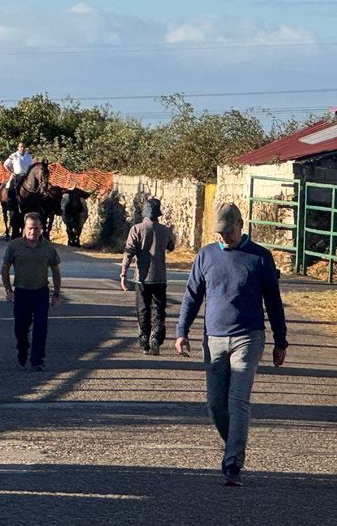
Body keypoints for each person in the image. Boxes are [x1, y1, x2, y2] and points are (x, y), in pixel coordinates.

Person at [175, 203, 288, 487]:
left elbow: (273, 301)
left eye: (228, 232)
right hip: (213, 338)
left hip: (248, 337)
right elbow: (192, 295)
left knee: (237, 401)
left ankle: (233, 463)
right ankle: (233, 444)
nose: (224, 237)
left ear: (240, 225)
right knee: (216, 404)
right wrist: (181, 331)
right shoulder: (206, 255)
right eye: (219, 233)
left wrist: (280, 340)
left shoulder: (260, 257)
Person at [0, 211, 61, 371]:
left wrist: (56, 294)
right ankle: (22, 348)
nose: (33, 232)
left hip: (40, 292)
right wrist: (8, 290)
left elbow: (55, 270)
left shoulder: (48, 248)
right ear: (24, 228)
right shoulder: (14, 246)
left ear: (41, 229)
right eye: (30, 228)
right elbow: (5, 268)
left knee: (41, 327)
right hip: (21, 292)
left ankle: (37, 360)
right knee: (20, 327)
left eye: (36, 228)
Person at [120, 198, 175, 354]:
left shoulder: (136, 229)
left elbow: (129, 252)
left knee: (143, 309)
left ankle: (144, 340)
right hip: (160, 277)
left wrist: (123, 274)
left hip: (142, 278)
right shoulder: (164, 230)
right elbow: (171, 247)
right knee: (159, 309)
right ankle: (156, 337)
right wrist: (172, 231)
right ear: (158, 213)